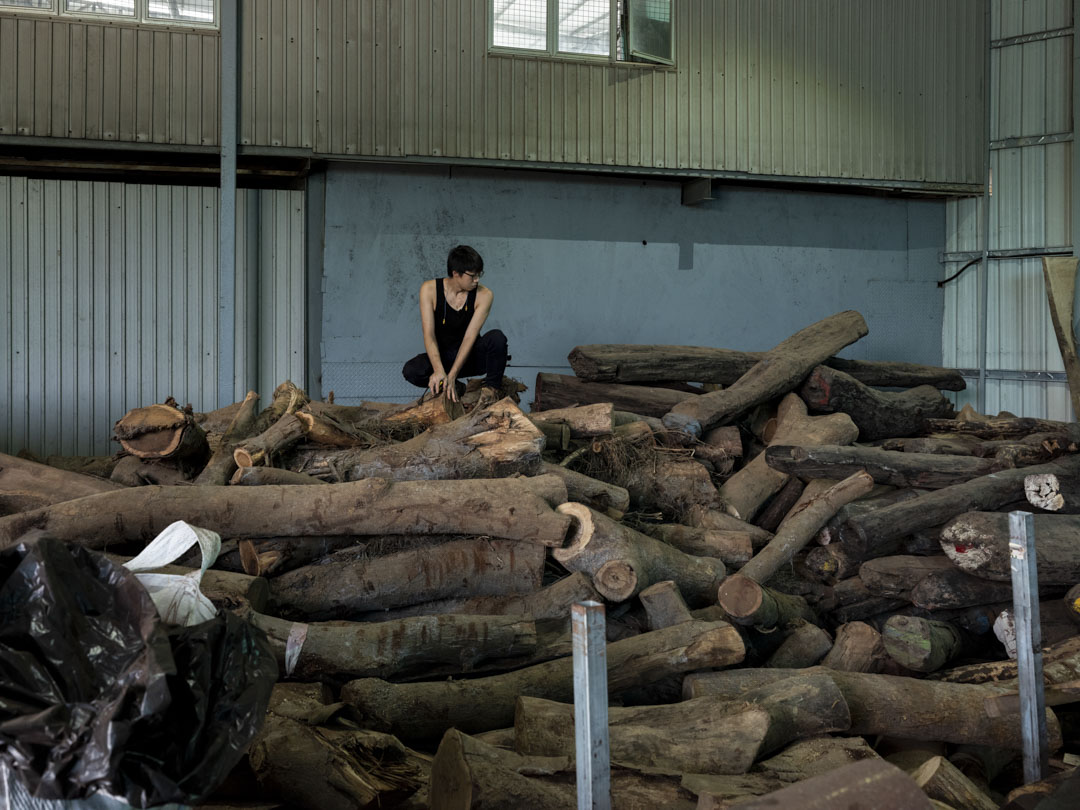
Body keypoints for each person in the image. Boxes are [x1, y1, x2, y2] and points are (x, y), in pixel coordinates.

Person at [402, 245, 508, 407]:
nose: (477, 280)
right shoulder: (429, 290)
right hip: (444, 358)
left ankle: (492, 392)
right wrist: (439, 371)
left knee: (497, 338)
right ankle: (455, 387)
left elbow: (469, 337)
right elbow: (429, 335)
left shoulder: (484, 295)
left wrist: (453, 374)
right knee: (412, 370)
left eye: (479, 274)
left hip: (471, 357)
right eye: (472, 276)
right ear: (456, 273)